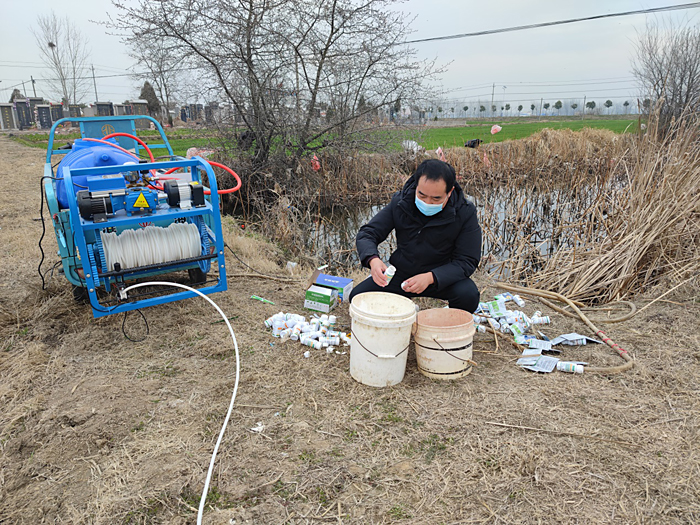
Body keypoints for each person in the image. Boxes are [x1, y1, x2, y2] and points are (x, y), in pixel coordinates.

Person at [348, 159, 481, 312]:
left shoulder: (465, 212)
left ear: (449, 192)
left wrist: (431, 277)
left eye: (436, 198)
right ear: (416, 185)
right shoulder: (401, 202)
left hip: (441, 277)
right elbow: (368, 233)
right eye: (422, 195)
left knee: (468, 295)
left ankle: (448, 324)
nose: (427, 202)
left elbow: (467, 260)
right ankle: (406, 309)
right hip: (403, 273)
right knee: (358, 297)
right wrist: (373, 260)